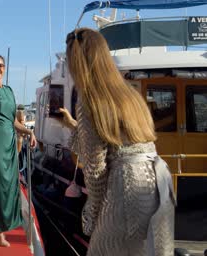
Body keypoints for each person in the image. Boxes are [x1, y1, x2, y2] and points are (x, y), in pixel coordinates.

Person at [59, 28, 174, 255]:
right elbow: (116, 142)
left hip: (127, 187)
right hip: (158, 181)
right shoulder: (128, 94)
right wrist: (74, 126)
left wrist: (94, 213)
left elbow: (95, 167)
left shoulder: (89, 98)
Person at [0, 54, 36, 248]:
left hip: (10, 145)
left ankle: (0, 231)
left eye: (0, 65)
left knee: (7, 189)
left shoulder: (9, 91)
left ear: (5, 67)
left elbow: (12, 120)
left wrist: (28, 131)